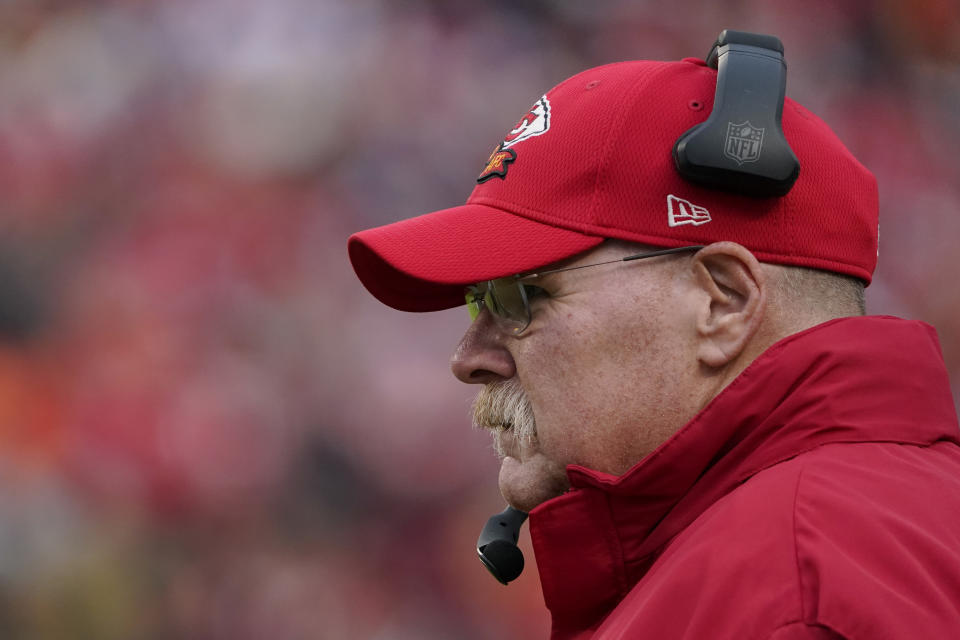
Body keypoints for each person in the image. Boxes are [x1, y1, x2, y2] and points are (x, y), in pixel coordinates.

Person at [347, 32, 960, 640]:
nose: (467, 358)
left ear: (723, 301)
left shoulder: (792, 591)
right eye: (478, 301)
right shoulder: (812, 548)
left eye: (521, 297)